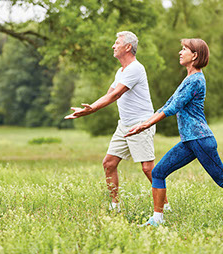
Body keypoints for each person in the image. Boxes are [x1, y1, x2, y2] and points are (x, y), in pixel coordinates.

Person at [125, 38, 223, 226]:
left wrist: (144, 126)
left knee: (222, 179)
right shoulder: (188, 78)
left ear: (195, 55)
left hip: (200, 139)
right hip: (190, 141)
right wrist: (144, 122)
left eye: (185, 49)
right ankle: (157, 220)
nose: (180, 52)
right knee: (158, 172)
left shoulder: (196, 80)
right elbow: (167, 104)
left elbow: (173, 108)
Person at [65, 31, 170, 211]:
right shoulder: (120, 71)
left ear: (128, 47)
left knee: (147, 168)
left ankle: (165, 206)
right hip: (125, 124)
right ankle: (115, 206)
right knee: (109, 163)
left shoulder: (136, 68)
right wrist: (88, 108)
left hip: (141, 124)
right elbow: (109, 93)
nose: (113, 46)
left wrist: (91, 110)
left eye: (117, 43)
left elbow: (116, 94)